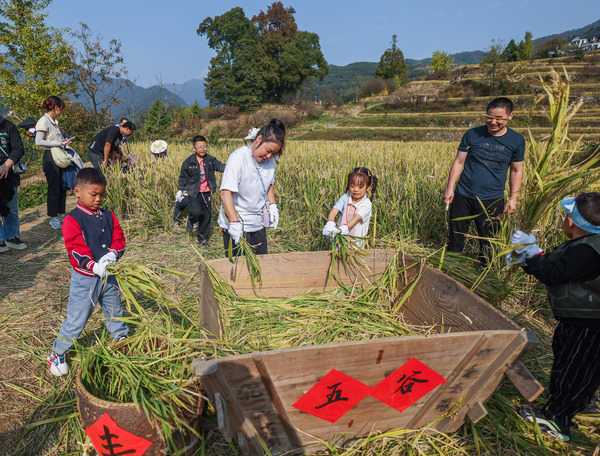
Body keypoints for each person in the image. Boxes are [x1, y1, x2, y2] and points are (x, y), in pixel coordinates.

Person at [509, 193, 600, 442]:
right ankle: (582, 401)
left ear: (571, 222)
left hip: (590, 326)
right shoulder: (586, 245)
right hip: (579, 321)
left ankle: (556, 419)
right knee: (575, 366)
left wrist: (533, 257)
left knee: (574, 370)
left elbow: (555, 273)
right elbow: (559, 265)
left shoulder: (588, 251)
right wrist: (531, 257)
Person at [46, 168, 128, 377]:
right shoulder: (73, 220)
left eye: (102, 194)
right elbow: (75, 248)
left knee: (114, 309)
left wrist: (112, 255)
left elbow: (119, 238)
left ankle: (120, 340)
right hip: (86, 278)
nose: (98, 199)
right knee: (77, 318)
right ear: (77, 192)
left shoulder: (109, 216)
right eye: (93, 194)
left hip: (109, 275)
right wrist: (94, 266)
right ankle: (57, 352)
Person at [443, 97, 525, 265]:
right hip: (463, 196)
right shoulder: (472, 134)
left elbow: (516, 170)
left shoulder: (516, 141)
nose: (493, 122)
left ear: (510, 116)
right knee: (455, 239)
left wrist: (513, 198)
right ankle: (452, 269)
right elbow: (459, 161)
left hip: (492, 200)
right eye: (489, 117)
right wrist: (450, 187)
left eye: (499, 118)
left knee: (489, 243)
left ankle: (484, 276)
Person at [217, 122, 284, 255]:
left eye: (274, 153)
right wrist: (234, 222)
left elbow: (269, 184)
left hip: (257, 223)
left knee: (260, 264)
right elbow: (225, 193)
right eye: (268, 151)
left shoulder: (270, 163)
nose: (269, 156)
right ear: (259, 139)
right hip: (237, 224)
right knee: (237, 268)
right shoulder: (238, 158)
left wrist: (272, 205)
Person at [177, 135, 225, 245]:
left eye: (204, 147)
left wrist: (233, 166)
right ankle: (191, 220)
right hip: (193, 192)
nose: (202, 149)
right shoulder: (189, 162)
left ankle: (202, 239)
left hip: (206, 191)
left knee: (206, 216)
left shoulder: (210, 160)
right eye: (200, 147)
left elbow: (221, 167)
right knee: (196, 211)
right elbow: (183, 177)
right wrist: (180, 190)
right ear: (194, 148)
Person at [36, 96, 72, 230]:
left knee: (62, 186)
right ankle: (53, 217)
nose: (61, 112)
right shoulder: (43, 121)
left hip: (58, 155)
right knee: (54, 187)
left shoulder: (54, 122)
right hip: (50, 157)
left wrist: (64, 142)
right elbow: (38, 141)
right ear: (56, 108)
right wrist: (57, 143)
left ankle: (62, 214)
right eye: (61, 109)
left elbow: (57, 139)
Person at [322, 167, 377, 248]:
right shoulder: (345, 198)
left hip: (356, 245)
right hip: (339, 242)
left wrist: (344, 228)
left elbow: (356, 218)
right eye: (352, 185)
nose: (355, 189)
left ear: (368, 187)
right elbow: (334, 211)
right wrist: (330, 222)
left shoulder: (366, 204)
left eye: (360, 187)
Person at [0, 116, 26, 252]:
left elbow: (18, 149)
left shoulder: (9, 126)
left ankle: (11, 237)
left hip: (8, 174)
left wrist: (6, 165)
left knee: (11, 207)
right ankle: (0, 240)